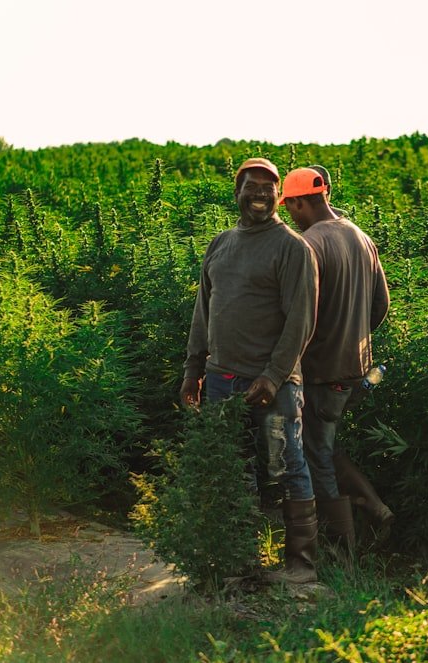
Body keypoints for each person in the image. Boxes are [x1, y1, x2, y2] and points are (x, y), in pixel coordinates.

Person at [181, 157, 320, 584]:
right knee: (231, 466)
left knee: (288, 465)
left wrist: (274, 375)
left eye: (267, 187)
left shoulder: (293, 248)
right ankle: (239, 561)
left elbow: (302, 320)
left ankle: (300, 565)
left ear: (279, 195)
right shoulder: (221, 244)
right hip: (222, 378)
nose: (259, 194)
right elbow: (204, 310)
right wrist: (193, 369)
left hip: (273, 385)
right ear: (237, 192)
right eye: (250, 186)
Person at [279, 167, 393, 556]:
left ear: (299, 201)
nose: (289, 215)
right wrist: (354, 337)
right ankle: (374, 507)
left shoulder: (309, 244)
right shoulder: (361, 237)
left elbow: (300, 316)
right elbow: (381, 305)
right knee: (324, 445)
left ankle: (340, 549)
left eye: (289, 206)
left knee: (316, 460)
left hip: (321, 372)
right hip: (358, 371)